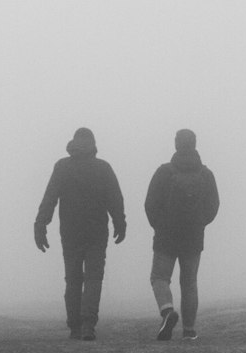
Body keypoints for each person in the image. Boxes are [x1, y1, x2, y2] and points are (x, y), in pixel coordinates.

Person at [34, 127, 126, 340]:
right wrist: (120, 223)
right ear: (93, 144)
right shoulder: (103, 168)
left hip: (70, 232)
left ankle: (74, 326)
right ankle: (87, 325)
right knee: (94, 278)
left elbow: (50, 198)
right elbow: (115, 198)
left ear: (73, 143)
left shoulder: (62, 167)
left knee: (73, 279)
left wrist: (40, 225)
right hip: (96, 233)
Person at [144, 128, 219, 342]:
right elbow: (214, 205)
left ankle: (168, 312)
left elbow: (150, 204)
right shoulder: (206, 174)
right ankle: (189, 330)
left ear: (176, 144)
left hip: (166, 235)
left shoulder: (164, 172)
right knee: (189, 283)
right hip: (193, 236)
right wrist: (200, 223)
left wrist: (158, 225)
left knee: (159, 277)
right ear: (195, 144)